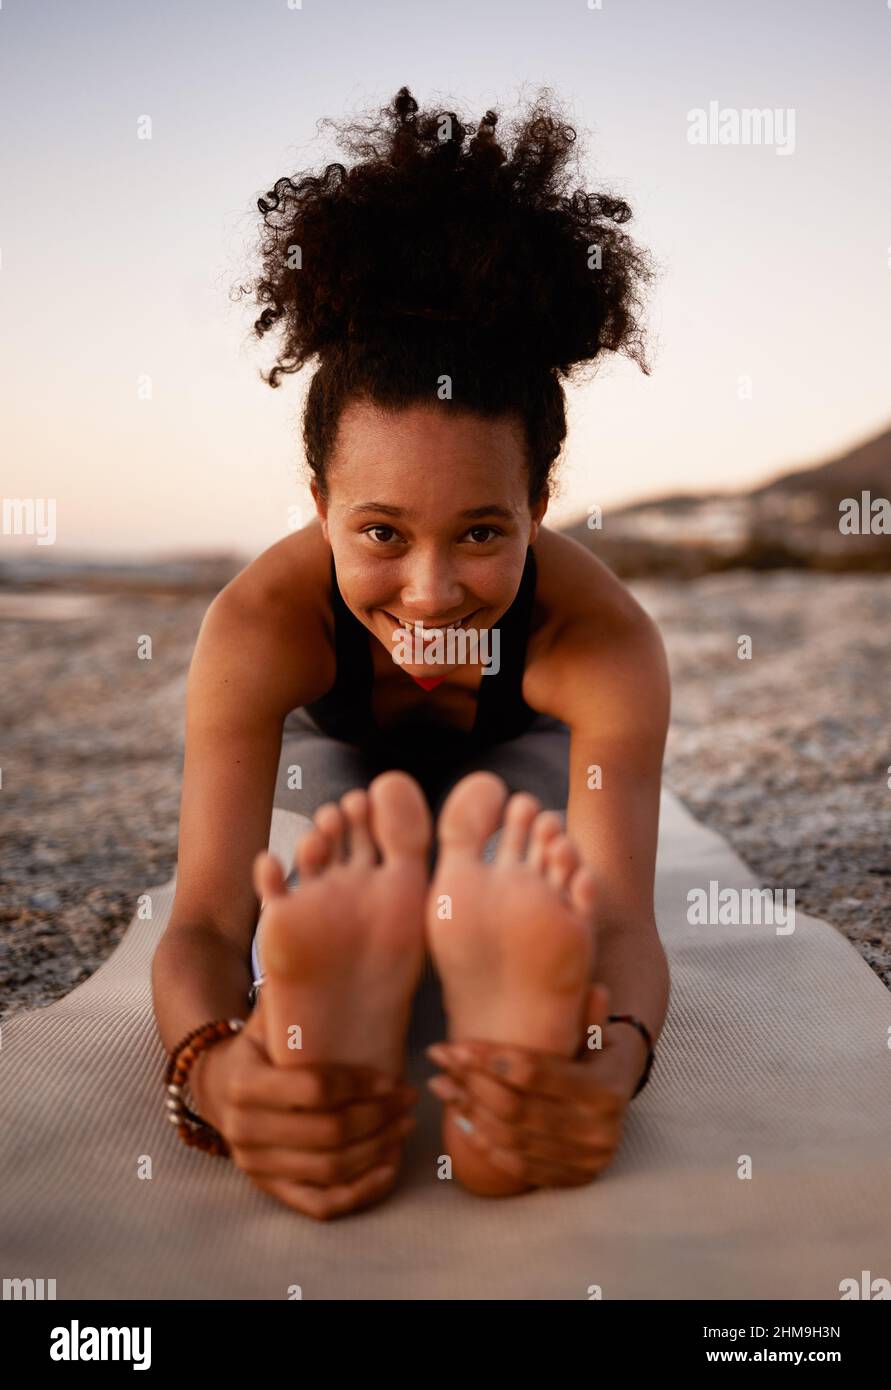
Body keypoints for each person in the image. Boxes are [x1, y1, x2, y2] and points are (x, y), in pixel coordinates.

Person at [151, 85, 671, 1221]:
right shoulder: (258, 627)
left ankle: (509, 1044)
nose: (433, 591)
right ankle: (352, 995)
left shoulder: (602, 638)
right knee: (337, 827)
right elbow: (201, 919)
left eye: (483, 532)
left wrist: (609, 1067)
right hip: (347, 765)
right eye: (381, 532)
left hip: (519, 749)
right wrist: (216, 1071)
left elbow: (627, 920)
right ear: (320, 502)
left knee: (532, 843)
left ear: (540, 504)